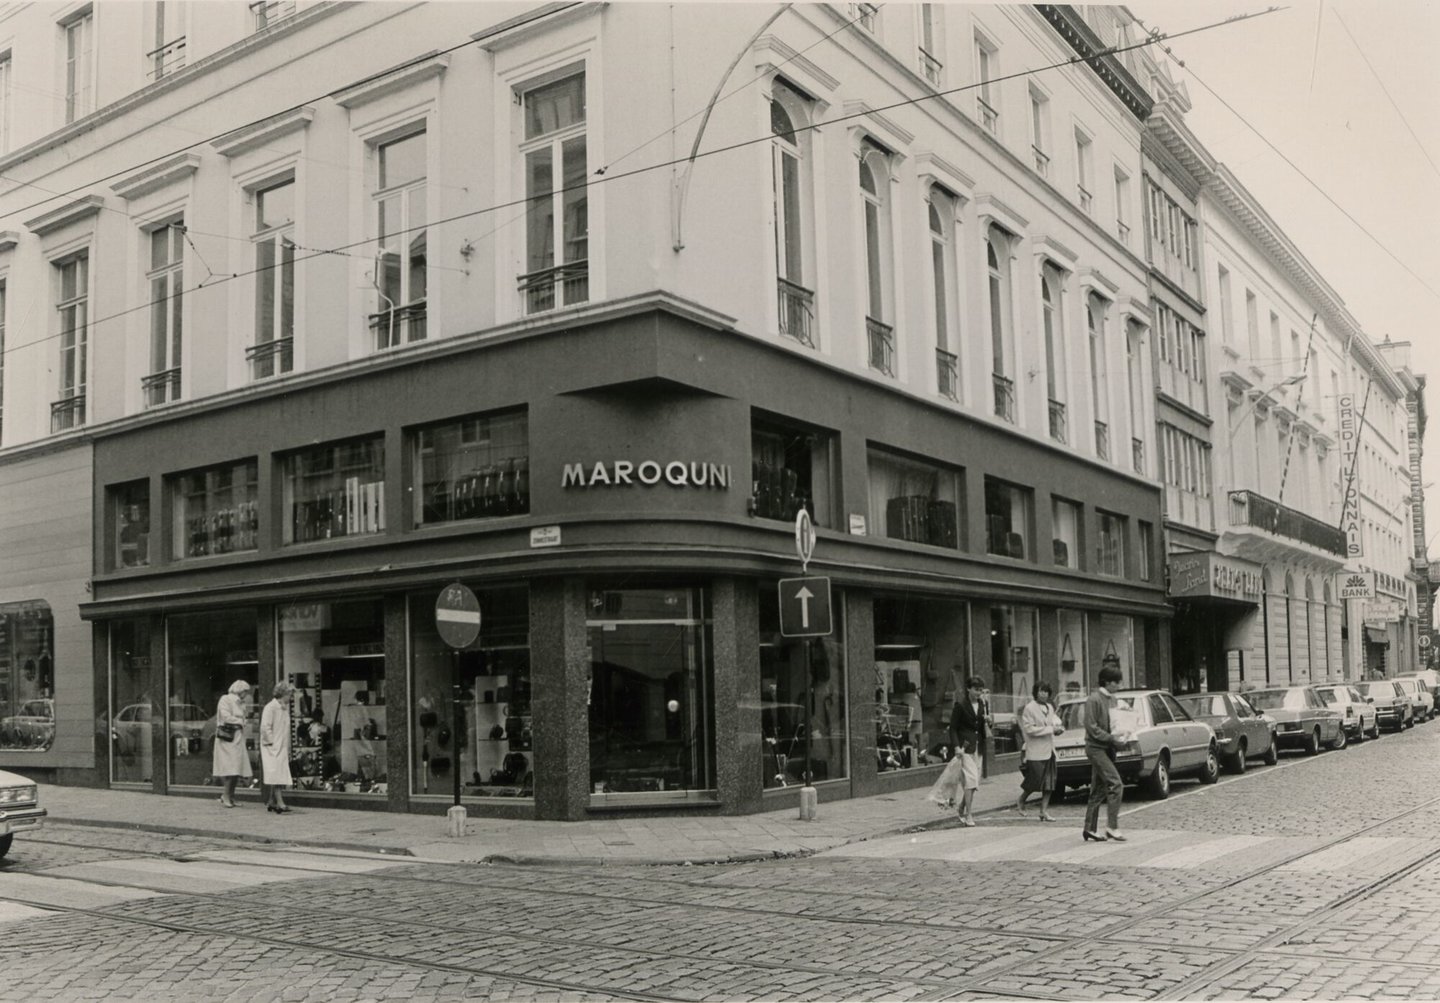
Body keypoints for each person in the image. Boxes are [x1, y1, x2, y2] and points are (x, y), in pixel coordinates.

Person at [1082, 665, 1129, 842]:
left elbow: (1116, 724)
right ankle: (1112, 826)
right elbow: (1091, 726)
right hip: (1096, 748)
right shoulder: (1093, 699)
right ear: (1107, 682)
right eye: (1116, 682)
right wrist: (1111, 738)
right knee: (1116, 784)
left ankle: (1089, 828)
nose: (1118, 685)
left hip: (1108, 748)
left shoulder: (1113, 700)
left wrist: (1123, 734)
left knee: (1099, 788)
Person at [1017, 681, 1065, 821]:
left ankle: (1043, 811)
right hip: (1035, 751)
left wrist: (1057, 730)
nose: (1043, 694)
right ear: (1035, 692)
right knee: (1035, 780)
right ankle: (1021, 800)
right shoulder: (1029, 708)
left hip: (1049, 750)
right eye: (1040, 691)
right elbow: (1029, 729)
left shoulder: (1050, 707)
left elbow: (1052, 724)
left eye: (1046, 691)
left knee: (1049, 782)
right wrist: (1050, 729)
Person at [948, 676, 990, 827]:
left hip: (978, 747)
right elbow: (953, 728)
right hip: (964, 748)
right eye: (976, 690)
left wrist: (988, 721)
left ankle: (961, 807)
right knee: (971, 781)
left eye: (980, 690)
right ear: (968, 689)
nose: (978, 693)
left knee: (974, 781)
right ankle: (969, 814)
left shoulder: (982, 704)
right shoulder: (960, 705)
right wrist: (956, 746)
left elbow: (980, 726)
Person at [213, 680, 253, 807]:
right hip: (228, 738)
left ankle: (231, 796)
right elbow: (225, 716)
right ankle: (226, 795)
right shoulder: (226, 699)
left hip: (238, 738)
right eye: (245, 691)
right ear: (239, 690)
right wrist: (240, 721)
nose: (246, 694)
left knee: (237, 768)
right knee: (230, 768)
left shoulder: (241, 703)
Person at [260, 682, 294, 814]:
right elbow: (265, 727)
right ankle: (280, 803)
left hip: (281, 746)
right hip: (273, 747)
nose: (290, 697)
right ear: (283, 694)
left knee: (277, 773)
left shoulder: (283, 708)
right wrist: (272, 743)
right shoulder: (271, 707)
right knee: (276, 774)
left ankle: (271, 801)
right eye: (289, 694)